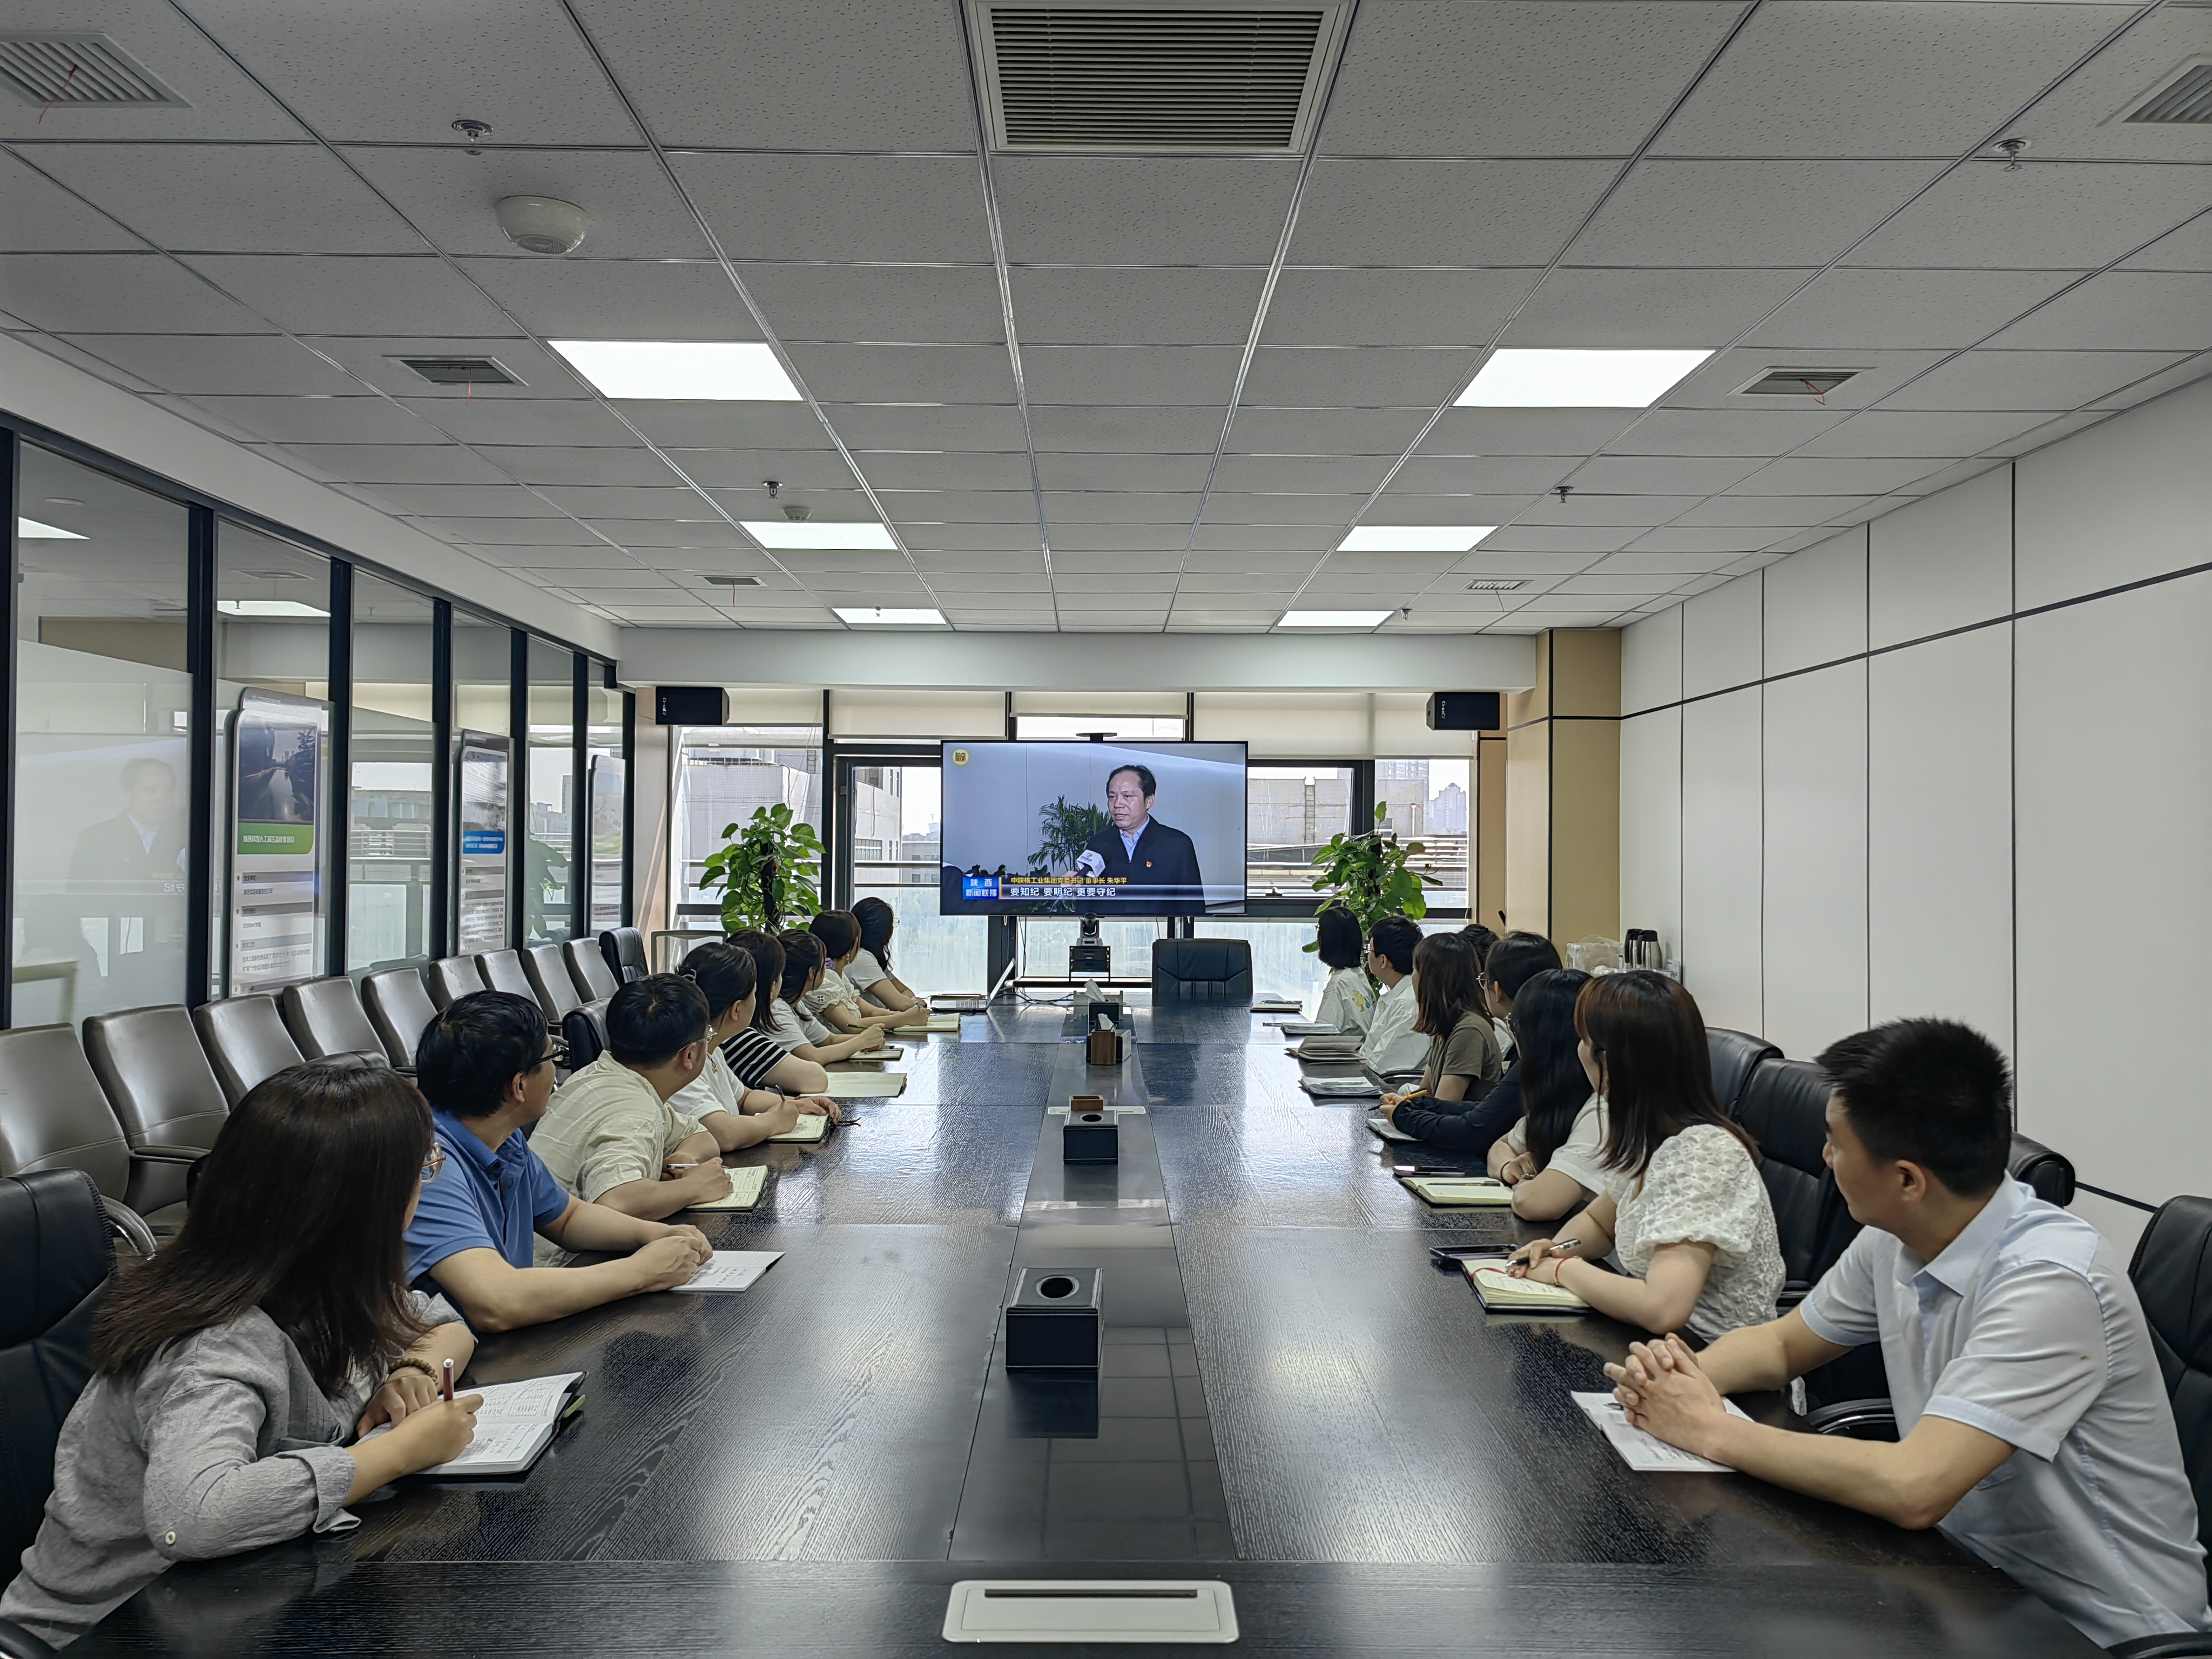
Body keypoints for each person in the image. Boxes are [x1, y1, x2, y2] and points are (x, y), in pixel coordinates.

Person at [1606, 1022, 2208, 1650]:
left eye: (1835, 1144)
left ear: (1906, 1181)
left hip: (2093, 1625)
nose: (1824, 1159)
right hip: (1960, 1577)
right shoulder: (1897, 1239)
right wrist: (1675, 1383)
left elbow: (1914, 1487)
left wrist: (1708, 1428)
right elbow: (1782, 1345)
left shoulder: (2049, 1282)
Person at [0, 1062, 483, 1648]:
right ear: (365, 1206)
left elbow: (441, 1322)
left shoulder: (319, 1283)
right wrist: (399, 1454)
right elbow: (196, 1517)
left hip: (239, 1600)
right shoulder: (213, 1341)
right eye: (421, 1171)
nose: (422, 1186)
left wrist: (414, 1368)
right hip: (111, 1631)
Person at [403, 990, 714, 1332]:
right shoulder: (430, 1165)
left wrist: (655, 1234)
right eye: (553, 1058)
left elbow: (567, 1217)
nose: (556, 1071)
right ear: (519, 1086)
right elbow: (495, 1303)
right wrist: (642, 1272)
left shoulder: (504, 1138)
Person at [1506, 971, 1783, 1341]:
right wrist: (1554, 1249)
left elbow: (1663, 1308)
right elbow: (1601, 1224)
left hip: (1716, 1369)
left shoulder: (1702, 1154)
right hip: (1658, 1352)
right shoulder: (1652, 1140)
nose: (1579, 1050)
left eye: (1585, 1040)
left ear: (1608, 1061)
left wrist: (1563, 1270)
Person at [529, 975, 739, 1235]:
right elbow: (615, 1202)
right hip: (563, 1265)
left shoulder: (601, 1076)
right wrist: (694, 1187)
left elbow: (701, 1137)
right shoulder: (635, 1111)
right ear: (690, 1055)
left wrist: (682, 1161)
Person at [1389, 932, 1563, 1157]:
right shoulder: (1544, 1043)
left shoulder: (1477, 1032)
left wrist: (1404, 1115)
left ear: (1497, 990)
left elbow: (1473, 1124)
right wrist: (1412, 1106)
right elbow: (1443, 1100)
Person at [672, 942, 839, 1132]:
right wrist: (774, 1122)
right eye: (753, 993)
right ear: (736, 1010)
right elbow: (724, 1133)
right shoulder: (684, 1059)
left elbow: (744, 1098)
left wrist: (798, 1104)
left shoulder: (712, 1048)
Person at [1484, 968, 1606, 1220]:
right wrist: (1510, 1168)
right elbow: (1502, 1146)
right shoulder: (1561, 1097)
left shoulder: (1603, 1110)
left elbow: (1536, 1204)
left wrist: (1525, 1184)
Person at [1379, 931, 1500, 1118]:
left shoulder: (1469, 1031)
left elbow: (1442, 1108)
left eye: (1416, 969)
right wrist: (1403, 1101)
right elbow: (1426, 1093)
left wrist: (1402, 1114)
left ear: (1432, 979)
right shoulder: (1447, 1025)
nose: (1412, 977)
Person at [1075, 763, 1203, 915]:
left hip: (1162, 937)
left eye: (1128, 796)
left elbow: (1192, 908)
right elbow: (1086, 907)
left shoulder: (1177, 845)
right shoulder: (1098, 844)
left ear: (1149, 801)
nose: (1117, 805)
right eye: (1112, 797)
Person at [759, 929, 879, 1065]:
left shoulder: (796, 1005)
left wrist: (868, 1039)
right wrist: (861, 1041)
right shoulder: (778, 1009)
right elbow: (814, 1057)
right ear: (812, 972)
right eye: (823, 964)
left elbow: (829, 1040)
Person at [68, 756, 188, 882]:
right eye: (151, 790)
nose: (161, 798)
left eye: (168, 791)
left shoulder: (186, 837)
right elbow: (78, 896)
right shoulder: (95, 838)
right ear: (127, 794)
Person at [805, 911, 927, 1033]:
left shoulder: (838, 977)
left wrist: (905, 1016)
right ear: (850, 946)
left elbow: (871, 1012)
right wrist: (903, 1019)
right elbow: (852, 1026)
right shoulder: (823, 979)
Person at [1355, 915, 1432, 1076]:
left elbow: (1379, 1070)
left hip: (1391, 1094)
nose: (1367, 956)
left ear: (1383, 961)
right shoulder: (1399, 996)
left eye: (1370, 950)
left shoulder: (1409, 1005)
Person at [847, 896, 926, 1014]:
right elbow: (899, 1004)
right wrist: (915, 1002)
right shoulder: (862, 959)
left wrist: (909, 1000)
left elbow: (905, 991)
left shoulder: (869, 957)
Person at [1309, 905, 1373, 1035]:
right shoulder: (1359, 976)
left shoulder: (1338, 985)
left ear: (1328, 941)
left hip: (1345, 1054)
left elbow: (1321, 1036)